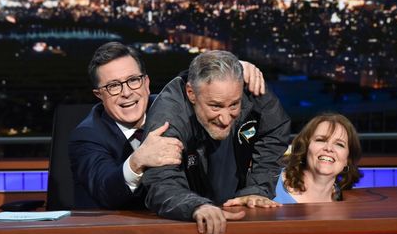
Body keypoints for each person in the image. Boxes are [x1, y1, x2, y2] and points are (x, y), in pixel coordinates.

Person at [68, 42, 268, 209]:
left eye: (133, 80)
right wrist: (136, 162)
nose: (126, 92)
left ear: (146, 82)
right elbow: (104, 189)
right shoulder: (87, 136)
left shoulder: (172, 108)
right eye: (113, 86)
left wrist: (230, 68)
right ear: (99, 95)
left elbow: (194, 84)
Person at [141, 50, 291, 234]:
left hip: (235, 207)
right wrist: (196, 205)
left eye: (234, 105)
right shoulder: (168, 115)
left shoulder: (249, 86)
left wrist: (257, 189)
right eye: (216, 106)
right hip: (185, 225)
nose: (226, 118)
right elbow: (161, 181)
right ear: (191, 93)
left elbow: (276, 128)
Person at [273, 113, 362, 204]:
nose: (329, 148)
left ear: (348, 159)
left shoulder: (347, 202)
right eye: (321, 140)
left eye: (339, 144)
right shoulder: (269, 182)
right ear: (305, 147)